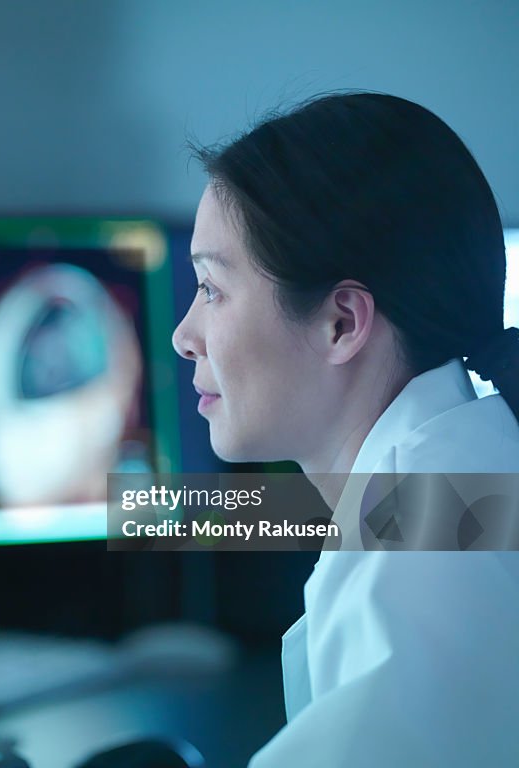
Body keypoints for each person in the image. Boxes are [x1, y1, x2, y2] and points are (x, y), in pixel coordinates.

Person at [172, 92, 519, 766]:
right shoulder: (461, 482)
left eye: (211, 289)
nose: (186, 336)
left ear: (342, 323)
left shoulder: (417, 562)